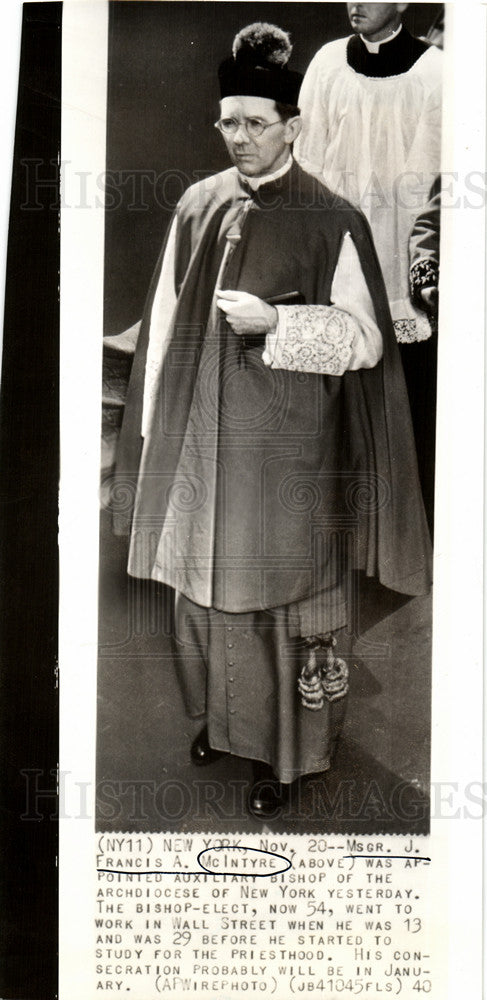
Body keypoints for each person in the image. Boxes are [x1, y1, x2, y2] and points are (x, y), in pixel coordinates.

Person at [111, 22, 431, 818]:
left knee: (285, 613)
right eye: (228, 122)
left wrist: (276, 326)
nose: (240, 138)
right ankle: (223, 726)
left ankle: (288, 760)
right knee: (205, 598)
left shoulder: (333, 218)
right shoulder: (196, 204)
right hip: (203, 456)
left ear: (293, 125)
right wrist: (152, 435)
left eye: (257, 123)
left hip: (292, 462)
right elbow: (159, 329)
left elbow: (363, 342)